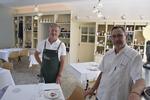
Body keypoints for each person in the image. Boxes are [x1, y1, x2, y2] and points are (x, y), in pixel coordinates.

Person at [84, 26, 145, 100]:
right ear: (111, 38)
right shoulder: (108, 54)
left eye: (120, 35)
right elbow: (102, 73)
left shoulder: (134, 56)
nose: (116, 39)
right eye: (114, 36)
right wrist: (93, 89)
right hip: (100, 96)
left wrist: (135, 93)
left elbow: (140, 80)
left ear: (125, 36)